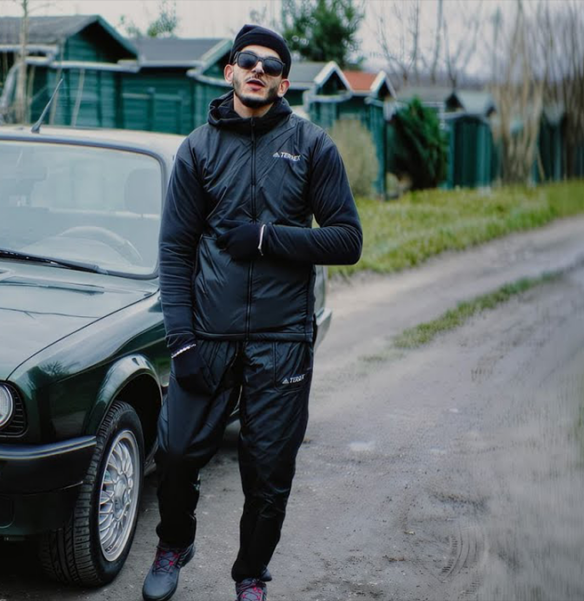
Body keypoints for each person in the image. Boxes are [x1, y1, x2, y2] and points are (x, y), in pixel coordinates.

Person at [141, 24, 363, 601]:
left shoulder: (312, 146)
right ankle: (175, 541)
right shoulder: (198, 149)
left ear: (284, 82)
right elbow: (174, 251)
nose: (257, 69)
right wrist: (181, 339)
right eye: (247, 60)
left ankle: (250, 575)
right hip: (208, 335)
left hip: (281, 339)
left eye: (271, 64)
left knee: (268, 472)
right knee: (175, 452)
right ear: (230, 72)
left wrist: (268, 238)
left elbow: (347, 240)